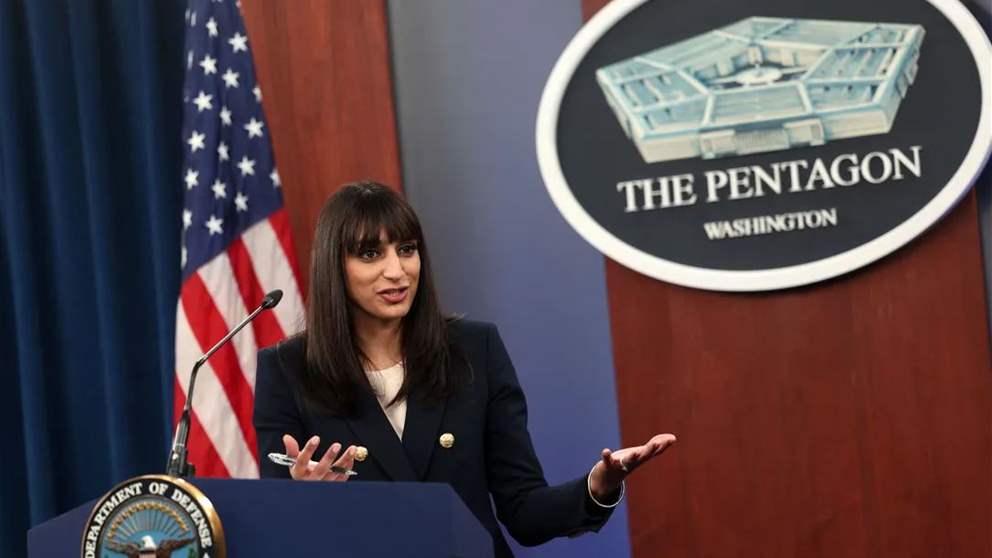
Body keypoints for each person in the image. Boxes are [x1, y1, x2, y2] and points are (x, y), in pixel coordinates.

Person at [253, 181, 676, 557]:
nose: (397, 271)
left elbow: (523, 510)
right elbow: (276, 530)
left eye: (406, 249)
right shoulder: (286, 370)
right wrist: (304, 504)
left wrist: (597, 486)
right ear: (334, 266)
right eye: (370, 253)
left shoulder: (474, 349)